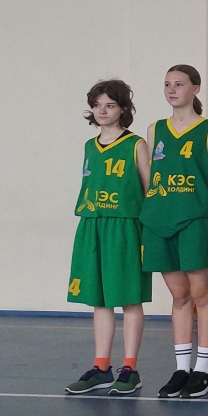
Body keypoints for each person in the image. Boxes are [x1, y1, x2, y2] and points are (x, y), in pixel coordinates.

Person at [142, 64, 208, 399]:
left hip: (195, 221)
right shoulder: (154, 130)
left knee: (202, 295)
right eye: (167, 84)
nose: (172, 89)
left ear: (196, 88)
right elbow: (151, 176)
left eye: (179, 84)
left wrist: (204, 213)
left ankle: (203, 370)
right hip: (160, 220)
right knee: (179, 297)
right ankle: (181, 368)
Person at [65, 80, 150, 396]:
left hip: (125, 226)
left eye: (110, 105)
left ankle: (130, 368)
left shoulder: (136, 144)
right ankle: (101, 367)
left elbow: (150, 190)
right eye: (97, 105)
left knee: (129, 297)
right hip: (93, 225)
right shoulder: (90, 146)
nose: (102, 110)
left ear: (123, 109)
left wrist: (149, 231)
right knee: (98, 298)